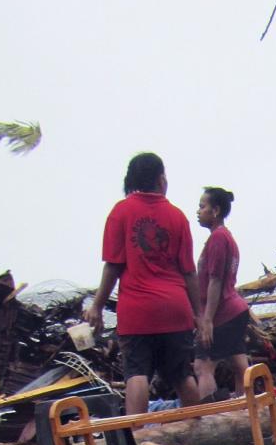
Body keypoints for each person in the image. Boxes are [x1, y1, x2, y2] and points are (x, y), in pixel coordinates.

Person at [84, 153, 202, 417]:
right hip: (175, 309)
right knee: (183, 375)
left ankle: (137, 440)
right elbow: (189, 273)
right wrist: (201, 315)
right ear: (161, 179)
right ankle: (201, 429)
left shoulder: (121, 212)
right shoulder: (177, 217)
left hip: (137, 311)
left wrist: (97, 306)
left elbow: (113, 265)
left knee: (137, 374)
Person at [194, 186, 250, 399]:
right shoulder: (226, 237)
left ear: (215, 211)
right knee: (238, 361)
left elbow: (215, 280)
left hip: (223, 312)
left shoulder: (218, 238)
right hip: (236, 309)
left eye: (202, 206)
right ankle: (246, 405)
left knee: (203, 366)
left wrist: (206, 320)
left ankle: (208, 417)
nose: (198, 211)